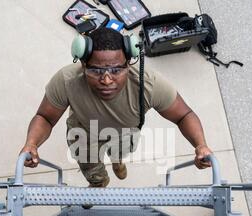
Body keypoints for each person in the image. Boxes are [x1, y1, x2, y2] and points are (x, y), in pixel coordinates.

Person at [20, 27, 213, 192]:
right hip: (84, 135)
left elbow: (184, 115)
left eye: (116, 70)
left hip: (124, 135)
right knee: (91, 168)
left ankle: (117, 160)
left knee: (120, 151)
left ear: (128, 63)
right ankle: (98, 182)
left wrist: (200, 145)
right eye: (96, 70)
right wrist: (32, 143)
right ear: (83, 64)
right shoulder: (66, 81)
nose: (106, 79)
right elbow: (45, 117)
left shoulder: (149, 85)